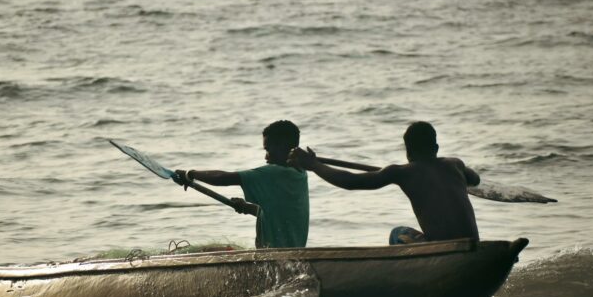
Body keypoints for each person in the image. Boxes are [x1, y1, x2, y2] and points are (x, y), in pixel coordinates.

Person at [288, 121, 480, 244]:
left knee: (397, 233)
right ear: (436, 148)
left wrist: (314, 165)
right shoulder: (455, 164)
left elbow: (351, 181)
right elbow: (475, 179)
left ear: (408, 151)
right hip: (473, 242)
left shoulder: (402, 172)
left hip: (444, 248)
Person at [174, 120, 309, 248]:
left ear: (283, 146)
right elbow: (279, 214)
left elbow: (222, 178)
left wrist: (190, 174)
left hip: (272, 259)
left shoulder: (273, 173)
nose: (266, 157)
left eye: (268, 150)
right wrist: (246, 207)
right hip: (294, 256)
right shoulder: (300, 173)